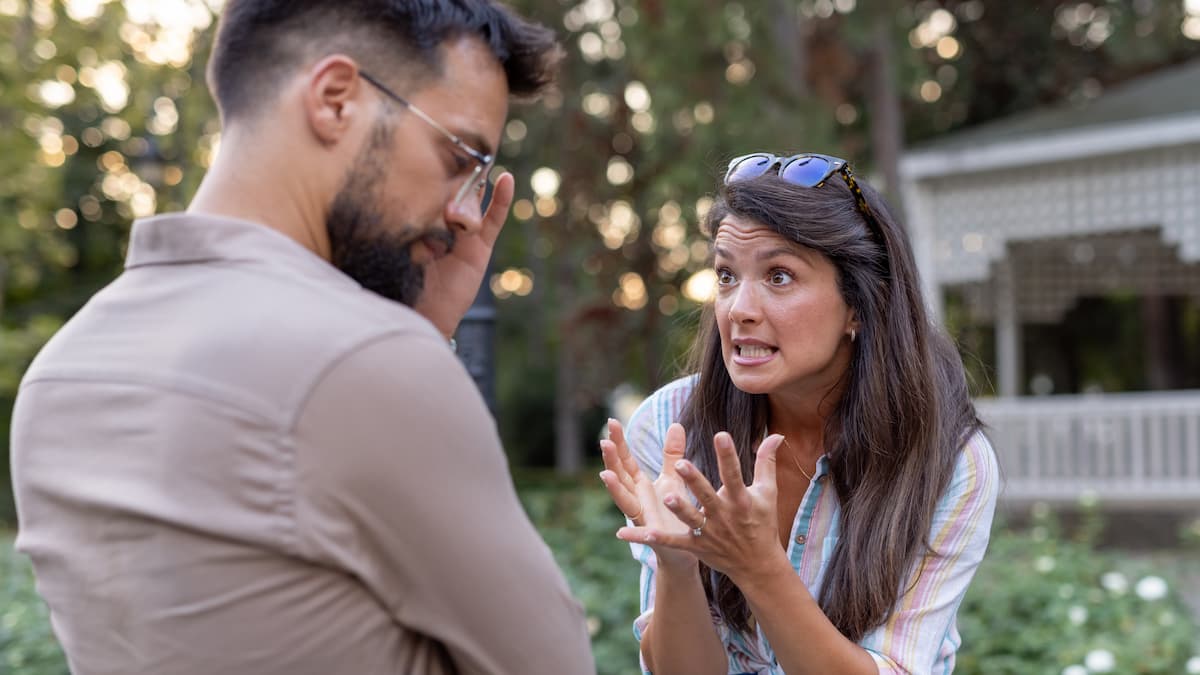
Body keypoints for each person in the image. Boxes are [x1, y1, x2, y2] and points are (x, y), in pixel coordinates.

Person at [10, 2, 595, 673]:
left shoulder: (61, 372)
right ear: (336, 100)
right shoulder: (367, 363)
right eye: (459, 156)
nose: (465, 210)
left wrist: (411, 332)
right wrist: (410, 350)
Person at [599, 152, 999, 674]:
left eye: (779, 276)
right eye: (725, 275)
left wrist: (758, 568)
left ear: (858, 306)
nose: (739, 308)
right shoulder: (673, 424)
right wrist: (676, 562)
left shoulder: (949, 461)